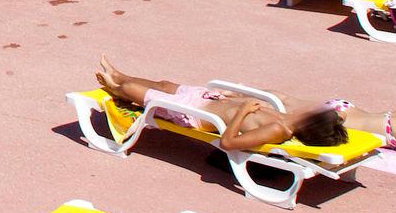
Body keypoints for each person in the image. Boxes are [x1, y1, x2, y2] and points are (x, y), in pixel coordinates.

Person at [92, 59, 350, 152]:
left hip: (195, 114)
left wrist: (243, 112)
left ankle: (116, 87)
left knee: (136, 92)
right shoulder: (285, 115)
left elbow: (227, 143)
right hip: (208, 99)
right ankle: (120, 74)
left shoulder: (278, 131)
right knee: (163, 83)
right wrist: (232, 97)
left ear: (312, 122)